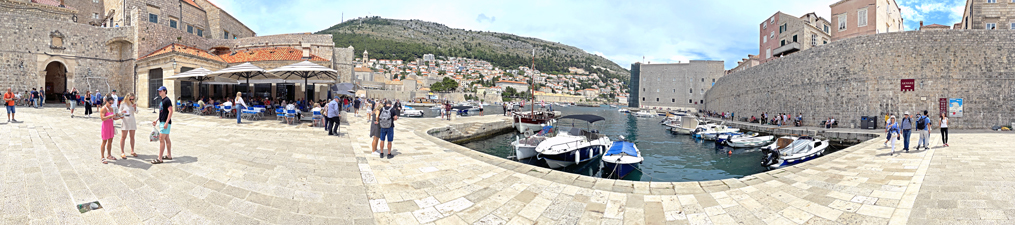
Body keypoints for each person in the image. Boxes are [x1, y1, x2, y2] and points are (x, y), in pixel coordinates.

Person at [151, 86, 173, 164]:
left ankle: (159, 158)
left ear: (165, 91)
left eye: (160, 91)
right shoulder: (162, 100)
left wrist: (166, 122)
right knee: (167, 138)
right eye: (159, 91)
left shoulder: (167, 100)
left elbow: (170, 111)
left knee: (161, 139)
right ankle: (169, 155)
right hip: (162, 122)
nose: (159, 92)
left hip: (165, 122)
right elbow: (162, 112)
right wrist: (156, 120)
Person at [99, 96, 121, 164]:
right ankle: (102, 157)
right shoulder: (103, 109)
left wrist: (120, 117)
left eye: (112, 103)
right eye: (110, 102)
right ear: (106, 101)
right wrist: (110, 116)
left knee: (110, 141)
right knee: (104, 142)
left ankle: (109, 154)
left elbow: (112, 118)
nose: (111, 104)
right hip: (105, 126)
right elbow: (102, 118)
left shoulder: (111, 108)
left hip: (111, 125)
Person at [119, 93, 138, 159]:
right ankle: (122, 152)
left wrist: (135, 107)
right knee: (123, 137)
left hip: (132, 121)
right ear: (127, 98)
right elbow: (119, 112)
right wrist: (122, 112)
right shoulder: (123, 104)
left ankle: (132, 151)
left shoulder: (133, 104)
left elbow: (136, 112)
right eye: (130, 99)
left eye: (133, 99)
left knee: (132, 137)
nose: (131, 100)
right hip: (125, 121)